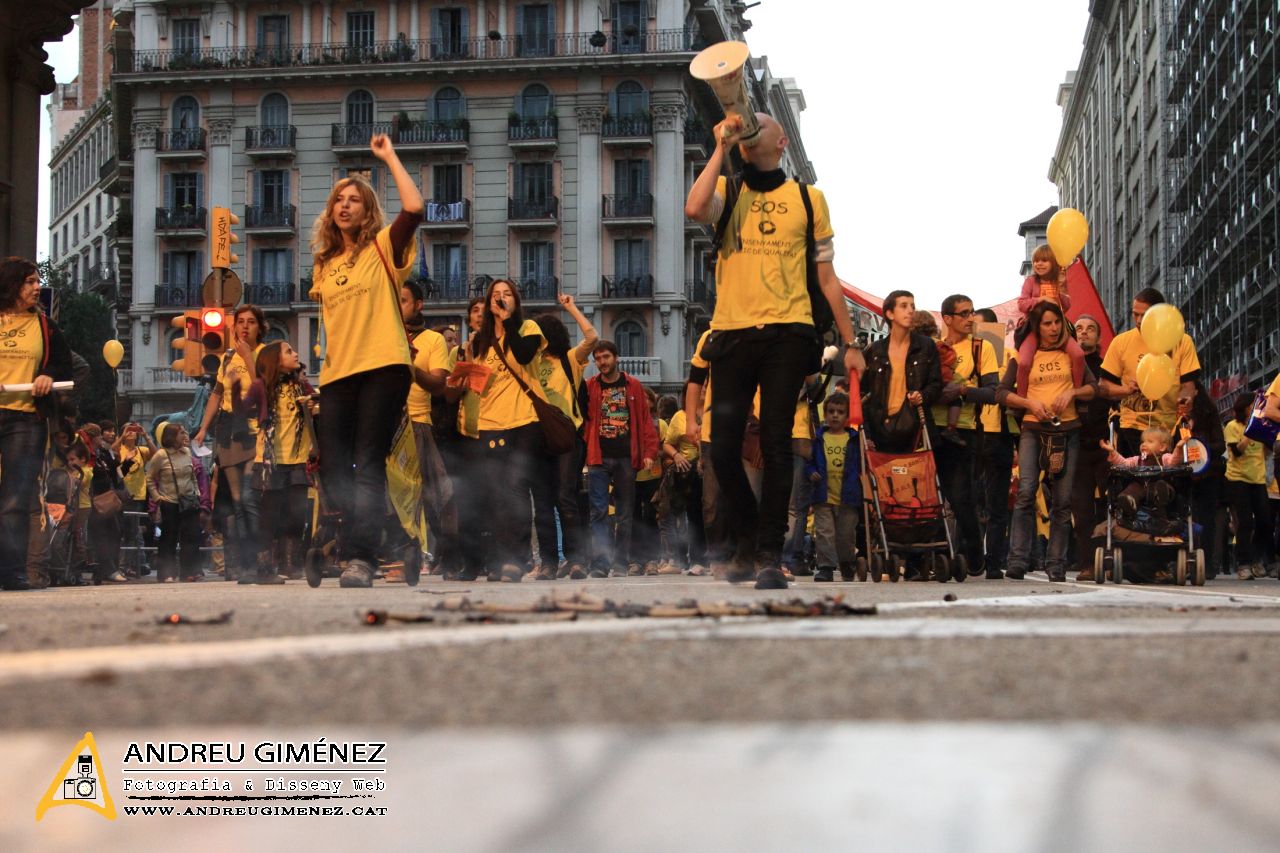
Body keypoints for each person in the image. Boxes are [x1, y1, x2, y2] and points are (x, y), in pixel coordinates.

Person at [684, 111, 864, 589]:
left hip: (789, 332)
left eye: (755, 125)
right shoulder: (732, 191)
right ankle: (748, 541)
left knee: (776, 443)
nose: (746, 129)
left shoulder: (809, 199)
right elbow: (694, 207)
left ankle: (767, 554)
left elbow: (827, 278)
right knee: (722, 452)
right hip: (731, 331)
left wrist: (850, 344)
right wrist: (720, 146)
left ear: (781, 139)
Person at [308, 133, 423, 587]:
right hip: (338, 373)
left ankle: (360, 558)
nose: (344, 205)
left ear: (366, 209)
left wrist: (389, 156)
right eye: (339, 198)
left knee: (367, 461)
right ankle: (398, 542)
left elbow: (414, 209)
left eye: (354, 199)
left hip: (384, 366)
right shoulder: (325, 264)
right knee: (335, 465)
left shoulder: (382, 249)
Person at [455, 278, 551, 582]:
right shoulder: (479, 342)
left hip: (524, 420)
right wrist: (464, 373)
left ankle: (517, 558)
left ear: (516, 300)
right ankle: (499, 559)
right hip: (489, 422)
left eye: (506, 294)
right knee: (495, 494)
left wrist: (509, 321)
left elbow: (523, 356)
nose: (500, 298)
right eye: (495, 295)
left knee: (516, 488)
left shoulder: (529, 329)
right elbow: (477, 386)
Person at [996, 302, 1097, 582]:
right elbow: (1002, 393)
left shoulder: (1072, 355)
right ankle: (1017, 560)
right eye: (1047, 323)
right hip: (1032, 428)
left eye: (1057, 322)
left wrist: (1073, 393)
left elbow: (1094, 388)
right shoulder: (1022, 357)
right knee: (1026, 492)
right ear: (1036, 327)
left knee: (1063, 501)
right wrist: (1030, 402)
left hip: (1069, 430)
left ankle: (1056, 564)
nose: (1053, 328)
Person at [0, 257, 74, 590]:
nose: (37, 287)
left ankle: (13, 572)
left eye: (37, 280)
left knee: (16, 499)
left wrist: (48, 376)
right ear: (12, 284)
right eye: (30, 281)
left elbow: (64, 366)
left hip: (26, 419)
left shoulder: (46, 327)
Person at [193, 303, 266, 581]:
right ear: (234, 327)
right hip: (228, 431)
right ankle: (236, 562)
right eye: (241, 322)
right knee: (232, 501)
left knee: (249, 499)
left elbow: (263, 385)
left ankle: (256, 560)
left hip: (253, 431)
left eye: (251, 322)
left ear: (260, 327)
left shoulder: (264, 354)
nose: (245, 326)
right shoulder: (226, 357)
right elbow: (216, 393)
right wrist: (203, 428)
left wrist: (248, 355)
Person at [238, 341, 317, 584]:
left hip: (297, 460)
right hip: (270, 462)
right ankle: (263, 570)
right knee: (268, 518)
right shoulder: (261, 386)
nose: (296, 354)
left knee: (296, 515)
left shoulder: (301, 384)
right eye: (289, 351)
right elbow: (242, 411)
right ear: (274, 359)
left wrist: (314, 406)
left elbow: (318, 407)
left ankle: (289, 565)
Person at [931, 294, 999, 576]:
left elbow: (993, 393)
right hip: (930, 429)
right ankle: (933, 556)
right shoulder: (932, 347)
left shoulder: (982, 346)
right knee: (929, 498)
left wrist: (962, 391)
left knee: (961, 497)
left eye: (972, 313)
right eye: (964, 314)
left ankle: (972, 553)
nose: (971, 318)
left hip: (965, 430)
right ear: (947, 319)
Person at [534, 294, 598, 579]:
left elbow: (592, 337)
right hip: (536, 437)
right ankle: (548, 562)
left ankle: (576, 560)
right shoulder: (529, 364)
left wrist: (570, 307)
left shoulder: (569, 359)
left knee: (565, 497)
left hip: (566, 438)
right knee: (543, 502)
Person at [582, 340, 657, 577]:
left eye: (605, 357)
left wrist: (649, 453)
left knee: (625, 513)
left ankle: (621, 563)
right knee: (598, 512)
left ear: (616, 358)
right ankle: (600, 564)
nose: (602, 362)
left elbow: (645, 421)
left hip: (626, 457)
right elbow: (583, 420)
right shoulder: (590, 386)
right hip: (598, 457)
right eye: (598, 359)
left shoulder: (633, 385)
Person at [400, 280, 458, 580]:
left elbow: (438, 385)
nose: (399, 305)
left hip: (419, 423)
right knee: (393, 497)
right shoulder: (384, 335)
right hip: (387, 426)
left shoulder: (432, 341)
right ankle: (400, 556)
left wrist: (411, 366)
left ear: (419, 304)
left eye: (405, 300)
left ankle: (448, 553)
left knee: (437, 495)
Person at [1099, 287, 1201, 456]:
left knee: (1167, 477)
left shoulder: (1182, 341)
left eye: (1144, 315)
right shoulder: (1121, 342)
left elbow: (1189, 383)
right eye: (1135, 314)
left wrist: (1186, 398)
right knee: (1135, 477)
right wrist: (1125, 390)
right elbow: (1102, 386)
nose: (1138, 320)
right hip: (1132, 423)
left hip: (1168, 426)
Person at [862, 291, 943, 453]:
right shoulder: (874, 350)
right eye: (904, 306)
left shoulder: (927, 346)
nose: (911, 310)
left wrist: (923, 395)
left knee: (915, 478)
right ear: (890, 313)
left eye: (912, 306)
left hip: (913, 429)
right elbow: (863, 390)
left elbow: (936, 383)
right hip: (879, 430)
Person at [974, 307, 1018, 580]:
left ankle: (993, 561)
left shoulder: (1009, 357)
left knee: (997, 504)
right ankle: (970, 557)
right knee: (968, 498)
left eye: (980, 327)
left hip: (1000, 435)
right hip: (972, 432)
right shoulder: (965, 355)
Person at [1070, 314, 1112, 581]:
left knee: (1110, 504)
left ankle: (1111, 559)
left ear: (1098, 337)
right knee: (1081, 509)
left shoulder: (1108, 367)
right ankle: (1087, 563)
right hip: (1076, 443)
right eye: (1079, 329)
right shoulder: (1067, 364)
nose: (1084, 333)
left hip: (1107, 446)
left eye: (1090, 329)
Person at [805, 392, 861, 582]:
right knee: (824, 533)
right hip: (823, 495)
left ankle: (846, 563)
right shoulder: (818, 438)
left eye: (840, 412)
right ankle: (826, 566)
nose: (835, 415)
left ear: (847, 416)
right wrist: (810, 471)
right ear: (825, 414)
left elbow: (862, 464)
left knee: (846, 535)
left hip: (848, 496)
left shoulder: (855, 440)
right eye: (831, 411)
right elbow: (809, 461)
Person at [1016, 245, 1086, 392]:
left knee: (1079, 355)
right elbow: (1021, 304)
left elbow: (1066, 306)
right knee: (1024, 363)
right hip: (1033, 328)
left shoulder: (1059, 280)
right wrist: (1041, 299)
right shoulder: (1030, 281)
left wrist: (1061, 288)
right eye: (1036, 261)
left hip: (1057, 328)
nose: (1038, 264)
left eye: (1044, 260)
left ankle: (1078, 393)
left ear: (1053, 263)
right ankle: (1020, 401)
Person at [147, 423, 211, 582]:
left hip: (188, 501)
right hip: (169, 501)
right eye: (181, 433)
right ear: (171, 436)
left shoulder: (187, 452)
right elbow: (149, 478)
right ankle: (166, 572)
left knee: (191, 537)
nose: (185, 436)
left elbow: (192, 476)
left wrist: (196, 493)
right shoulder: (161, 455)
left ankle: (188, 571)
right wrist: (157, 497)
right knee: (169, 537)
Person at [1224, 392, 1273, 580]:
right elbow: (1236, 452)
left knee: (1265, 521)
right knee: (1245, 522)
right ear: (1245, 407)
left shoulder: (1262, 425)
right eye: (1254, 405)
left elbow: (1268, 451)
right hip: (1238, 479)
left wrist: (1267, 434)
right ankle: (1243, 564)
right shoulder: (1232, 426)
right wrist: (1250, 433)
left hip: (1258, 479)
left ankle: (1256, 559)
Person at [81, 422, 128, 584]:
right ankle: (108, 569)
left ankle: (111, 567)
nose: (102, 438)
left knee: (115, 532)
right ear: (93, 437)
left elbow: (112, 469)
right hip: (95, 500)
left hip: (107, 498)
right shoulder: (86, 454)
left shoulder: (101, 453)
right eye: (100, 435)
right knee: (101, 535)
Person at [1100, 427, 1182, 518]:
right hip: (1142, 486)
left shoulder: (1164, 458)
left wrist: (1178, 449)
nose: (1144, 444)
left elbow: (1174, 461)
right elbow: (1124, 463)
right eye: (1143, 442)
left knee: (1163, 485)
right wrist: (1113, 452)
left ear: (1162, 447)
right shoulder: (1138, 459)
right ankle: (1129, 503)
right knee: (1132, 488)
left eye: (1150, 441)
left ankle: (1161, 497)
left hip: (1158, 485)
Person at [115, 421, 156, 577]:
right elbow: (111, 451)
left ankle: (134, 564)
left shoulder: (141, 450)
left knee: (133, 530)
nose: (131, 432)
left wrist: (146, 436)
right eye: (128, 429)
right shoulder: (120, 448)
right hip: (120, 494)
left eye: (134, 430)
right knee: (124, 530)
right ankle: (128, 563)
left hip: (137, 495)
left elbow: (155, 453)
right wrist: (122, 436)